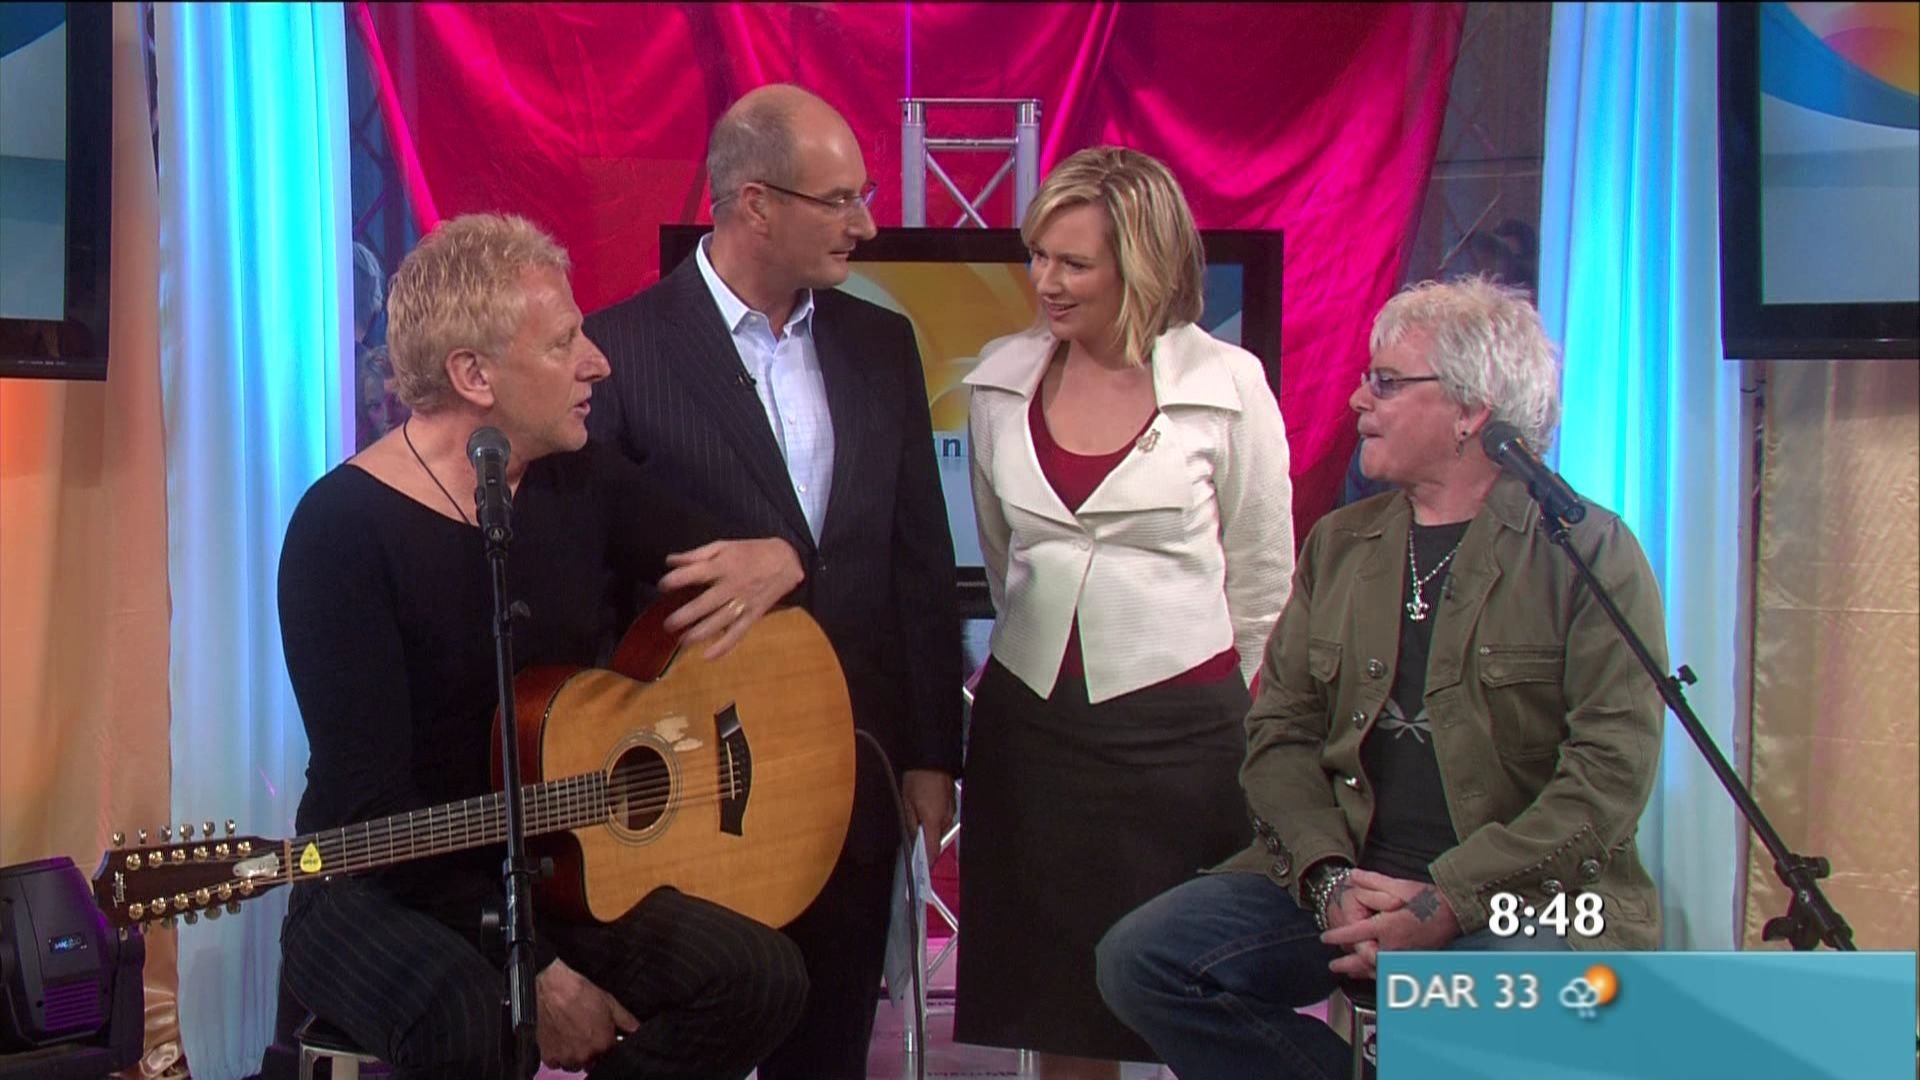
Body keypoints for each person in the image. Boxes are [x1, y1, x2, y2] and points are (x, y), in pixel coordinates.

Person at [277, 213, 810, 1080]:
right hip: (379, 875)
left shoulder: (579, 479)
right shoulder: (341, 529)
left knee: (757, 977)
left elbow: (727, 563)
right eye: (564, 342)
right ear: (474, 375)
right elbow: (373, 806)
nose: (598, 362)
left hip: (553, 863)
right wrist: (537, 966)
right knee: (470, 1017)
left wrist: (784, 557)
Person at [1094, 276, 1667, 1079]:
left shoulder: (1587, 551)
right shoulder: (1341, 544)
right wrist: (1330, 879)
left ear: (1472, 411)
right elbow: (1280, 735)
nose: (1359, 398)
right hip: (1347, 877)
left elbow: (1609, 775)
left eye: (1388, 382)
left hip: (1526, 893)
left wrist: (1446, 901)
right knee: (1145, 960)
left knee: (1468, 1009)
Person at [583, 84, 962, 1080]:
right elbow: (593, 580)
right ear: (754, 204)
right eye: (839, 200)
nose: (865, 224)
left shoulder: (880, 345)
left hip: (851, 772)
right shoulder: (619, 351)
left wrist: (931, 754)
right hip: (692, 785)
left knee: (827, 1047)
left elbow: (918, 564)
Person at [954, 146, 1295, 1080]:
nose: (1045, 282)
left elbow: (1263, 578)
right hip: (1034, 733)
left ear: (1140, 264)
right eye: (1038, 255)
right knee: (1059, 998)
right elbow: (1004, 557)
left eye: (1074, 263)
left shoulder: (1227, 385)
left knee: (1192, 991)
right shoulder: (1000, 381)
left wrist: (1236, 703)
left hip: (1183, 738)